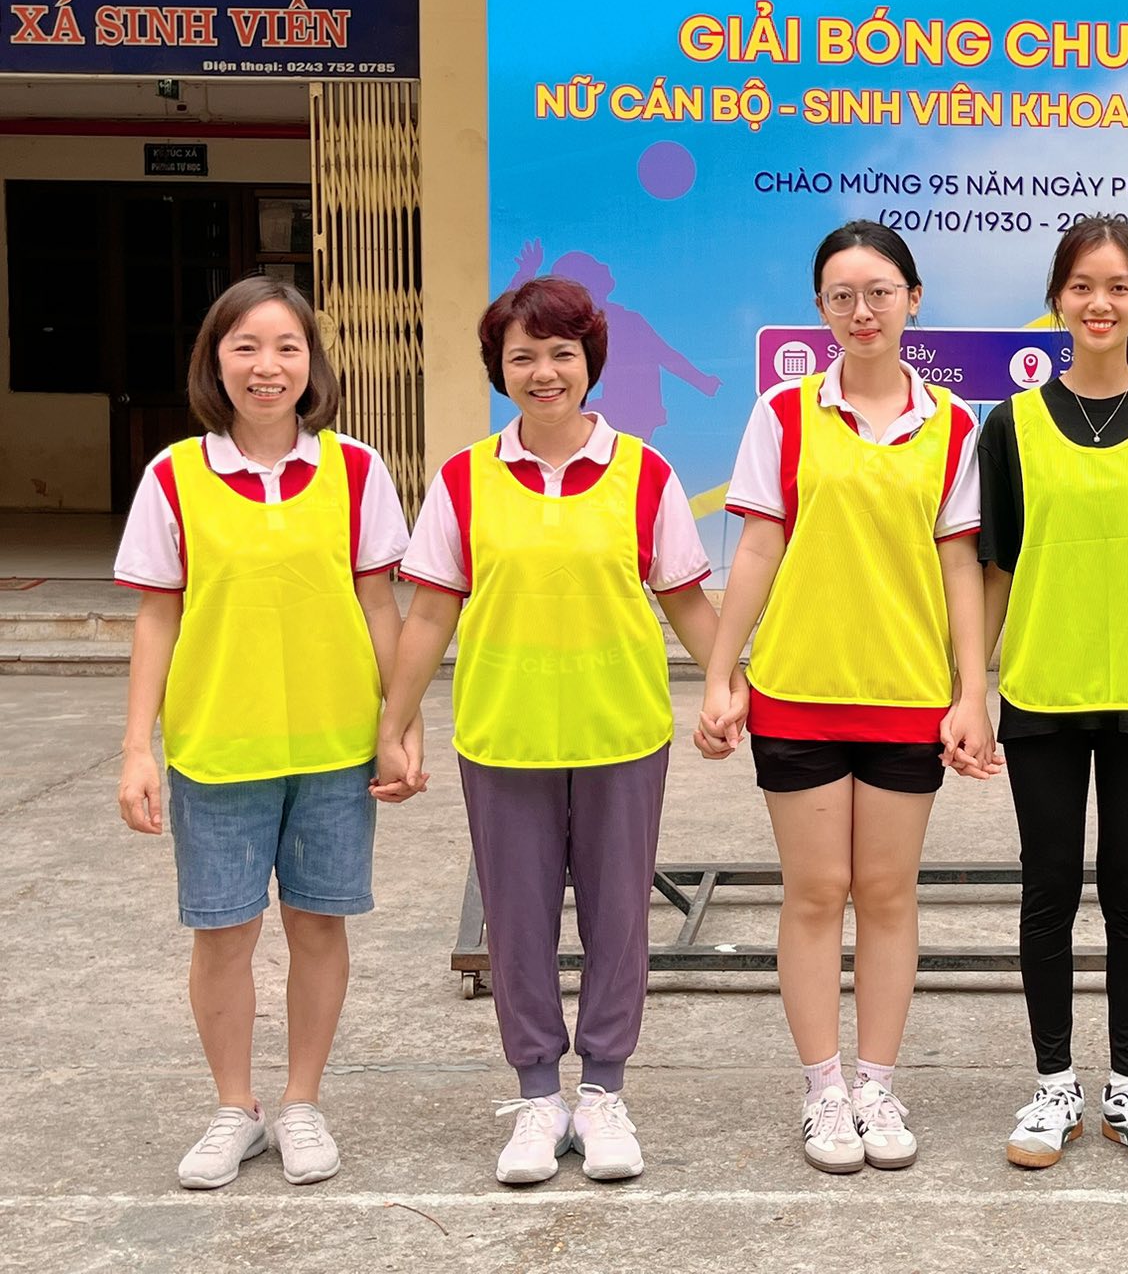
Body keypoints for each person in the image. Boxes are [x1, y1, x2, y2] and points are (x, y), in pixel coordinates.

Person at [376, 275, 719, 1186]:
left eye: (561, 353)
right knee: (518, 926)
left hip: (621, 734)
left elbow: (687, 601)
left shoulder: (645, 473)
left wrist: (735, 687)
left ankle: (602, 1092)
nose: (543, 372)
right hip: (505, 736)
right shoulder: (464, 480)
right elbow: (429, 614)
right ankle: (537, 1097)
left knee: (619, 922)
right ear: (499, 368)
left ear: (589, 361)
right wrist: (393, 724)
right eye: (522, 356)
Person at [696, 221, 993, 1175]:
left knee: (889, 894)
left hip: (907, 696)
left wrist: (972, 691)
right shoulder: (783, 414)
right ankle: (823, 1088)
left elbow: (961, 567)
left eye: (879, 293)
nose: (862, 312)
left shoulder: (954, 425)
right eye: (841, 296)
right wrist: (721, 673)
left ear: (913, 299)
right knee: (817, 892)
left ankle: (877, 1083)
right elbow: (757, 546)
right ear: (820, 309)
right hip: (799, 692)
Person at [113, 276, 418, 1190]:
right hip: (219, 748)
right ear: (215, 362)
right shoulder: (174, 476)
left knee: (319, 925)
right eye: (244, 346)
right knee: (223, 935)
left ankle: (301, 1104)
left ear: (312, 364)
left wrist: (398, 725)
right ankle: (234, 1109)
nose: (267, 366)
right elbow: (157, 617)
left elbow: (379, 604)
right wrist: (137, 748)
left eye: (287, 347)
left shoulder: (355, 471)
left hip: (334, 749)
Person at [981, 218, 1128, 1171]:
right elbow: (995, 569)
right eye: (1082, 285)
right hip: (1041, 686)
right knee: (1047, 890)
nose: (1099, 303)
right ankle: (1053, 1087)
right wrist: (966, 691)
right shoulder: (1012, 424)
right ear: (1057, 299)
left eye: (1118, 286)